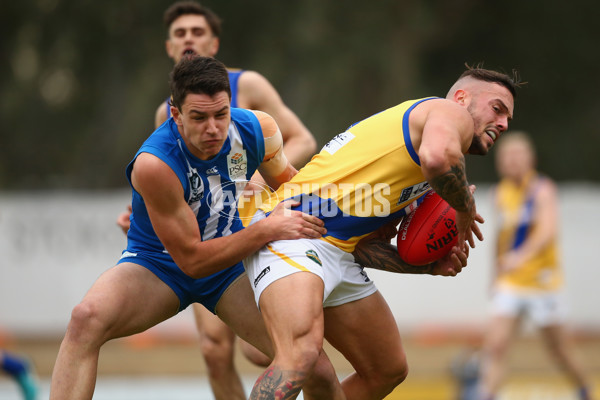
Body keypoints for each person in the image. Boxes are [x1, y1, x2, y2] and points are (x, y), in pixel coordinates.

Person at [50, 56, 346, 400]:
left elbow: (294, 189)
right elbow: (192, 261)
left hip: (230, 267)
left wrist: (368, 221)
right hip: (159, 265)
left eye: (221, 114)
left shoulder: (256, 130)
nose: (213, 128)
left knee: (316, 370)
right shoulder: (154, 165)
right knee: (85, 320)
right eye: (199, 117)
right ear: (175, 115)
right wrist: (267, 228)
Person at [242, 66, 520, 399]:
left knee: (386, 369)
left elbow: (362, 249)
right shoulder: (448, 114)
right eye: (497, 109)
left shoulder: (415, 171)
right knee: (300, 357)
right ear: (462, 98)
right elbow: (438, 159)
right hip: (292, 229)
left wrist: (428, 267)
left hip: (333, 248)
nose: (503, 124)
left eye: (507, 119)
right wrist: (464, 209)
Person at [114, 3, 317, 398]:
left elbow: (303, 139)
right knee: (213, 349)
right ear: (170, 47)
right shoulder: (167, 113)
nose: (188, 38)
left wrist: (254, 178)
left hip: (256, 224)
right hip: (208, 239)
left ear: (214, 42)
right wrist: (142, 215)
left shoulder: (251, 87)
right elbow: (170, 179)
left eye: (197, 31)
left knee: (266, 353)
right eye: (180, 33)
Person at [478, 132, 594, 400]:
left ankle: (585, 390)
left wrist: (521, 256)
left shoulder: (542, 190)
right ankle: (487, 394)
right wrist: (495, 275)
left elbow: (547, 230)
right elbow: (500, 239)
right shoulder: (500, 193)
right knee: (495, 346)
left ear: (531, 159)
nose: (513, 162)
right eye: (507, 157)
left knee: (559, 351)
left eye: (518, 156)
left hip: (543, 284)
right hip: (511, 284)